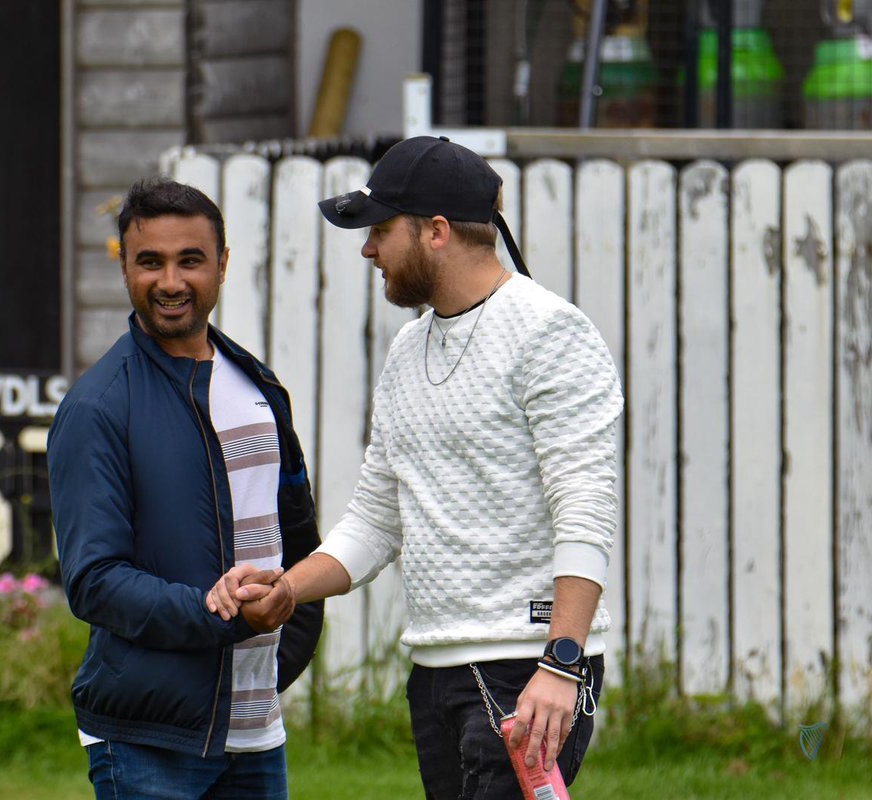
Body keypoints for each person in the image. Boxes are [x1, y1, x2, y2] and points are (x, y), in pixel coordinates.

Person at [207, 136, 623, 799]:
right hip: (434, 672)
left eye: (379, 230)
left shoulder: (551, 334)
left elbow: (586, 509)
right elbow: (376, 521)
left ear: (435, 231)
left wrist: (562, 662)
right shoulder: (408, 349)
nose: (367, 249)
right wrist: (288, 587)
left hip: (526, 668)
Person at [48, 177, 324, 799]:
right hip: (147, 740)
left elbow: (296, 537)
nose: (170, 282)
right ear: (124, 267)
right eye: (150, 261)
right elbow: (94, 581)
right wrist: (222, 616)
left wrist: (287, 637)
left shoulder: (258, 387)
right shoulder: (97, 407)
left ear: (222, 265)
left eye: (190, 260)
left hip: (256, 730)